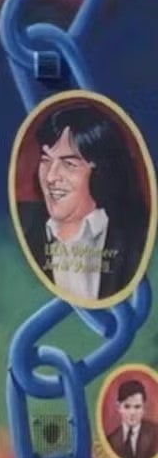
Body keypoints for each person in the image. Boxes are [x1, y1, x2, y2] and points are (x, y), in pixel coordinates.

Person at [19, 101, 150, 306]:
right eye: (46, 160)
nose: (51, 177)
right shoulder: (22, 226)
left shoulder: (135, 234)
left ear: (100, 170)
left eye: (68, 164)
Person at [105, 378, 158, 458]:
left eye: (137, 407)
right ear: (118, 407)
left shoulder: (156, 433)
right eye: (127, 406)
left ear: (143, 408)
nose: (132, 413)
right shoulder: (110, 441)